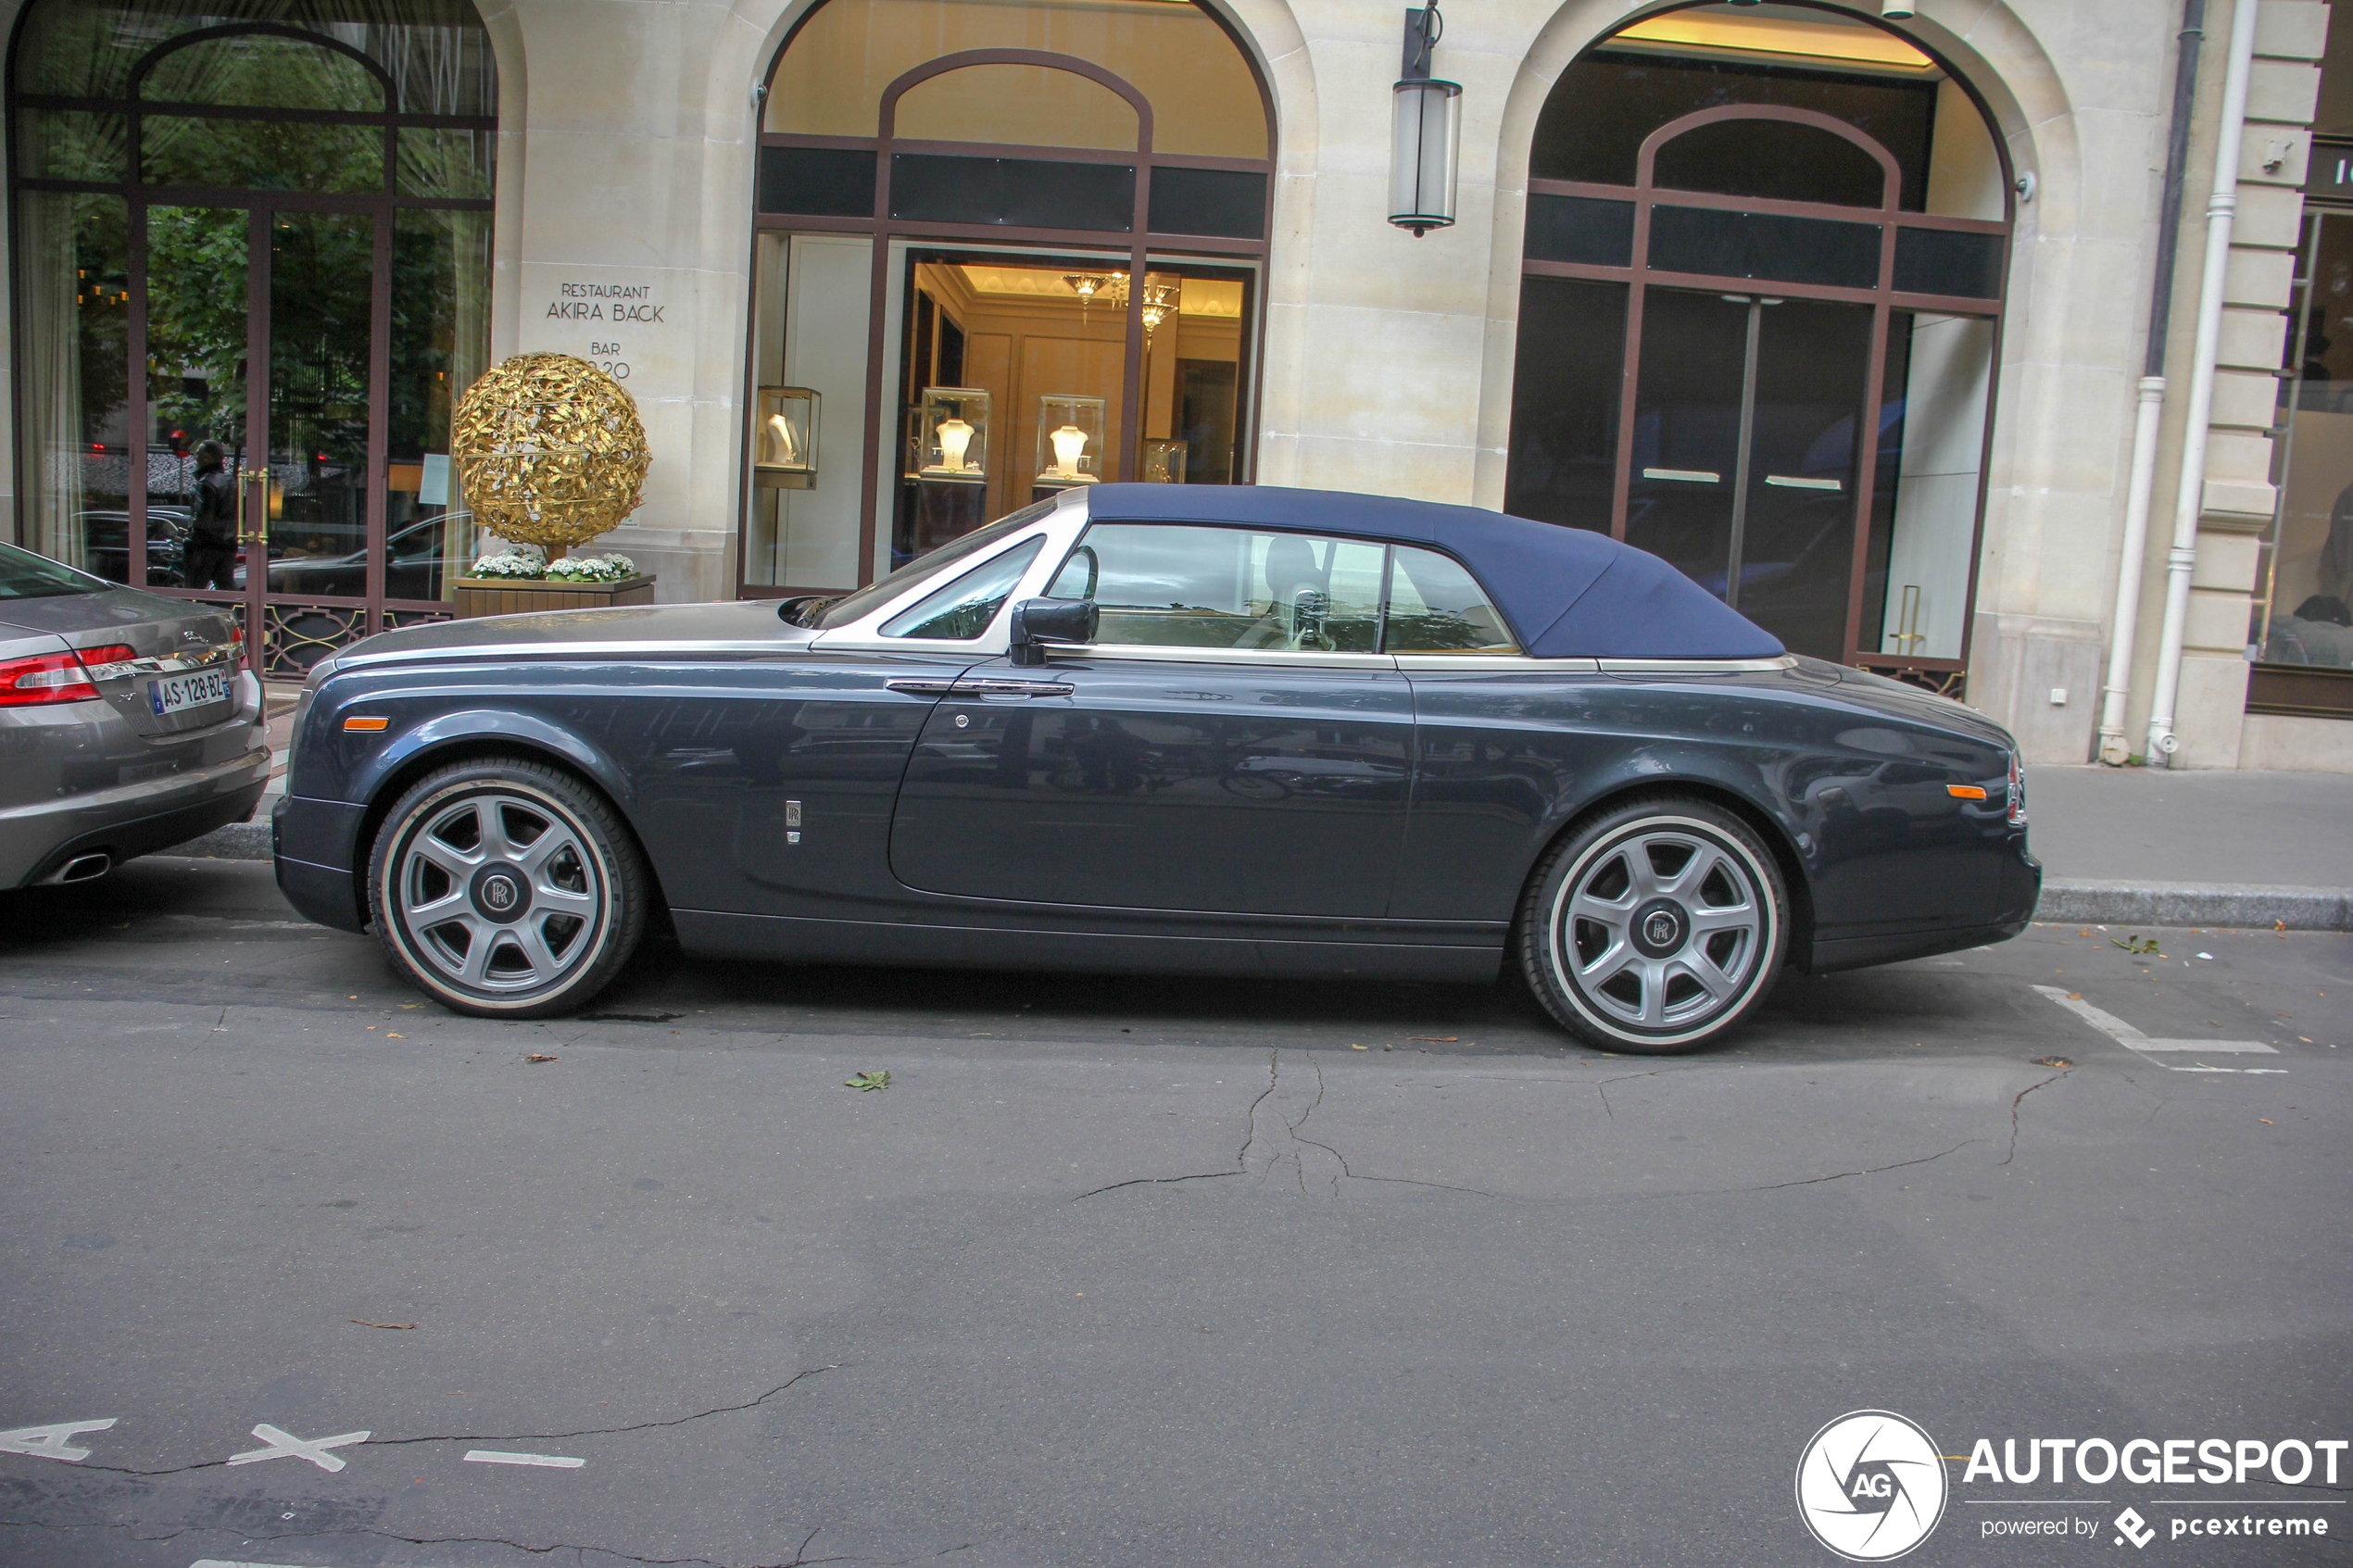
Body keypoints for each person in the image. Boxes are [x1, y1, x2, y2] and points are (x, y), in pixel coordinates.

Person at [183, 442, 239, 590]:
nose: (195, 459)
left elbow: (203, 519)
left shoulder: (206, 483)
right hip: (227, 544)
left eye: (198, 455)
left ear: (207, 458)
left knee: (193, 590)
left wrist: (191, 539)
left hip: (205, 546)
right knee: (226, 588)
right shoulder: (230, 482)